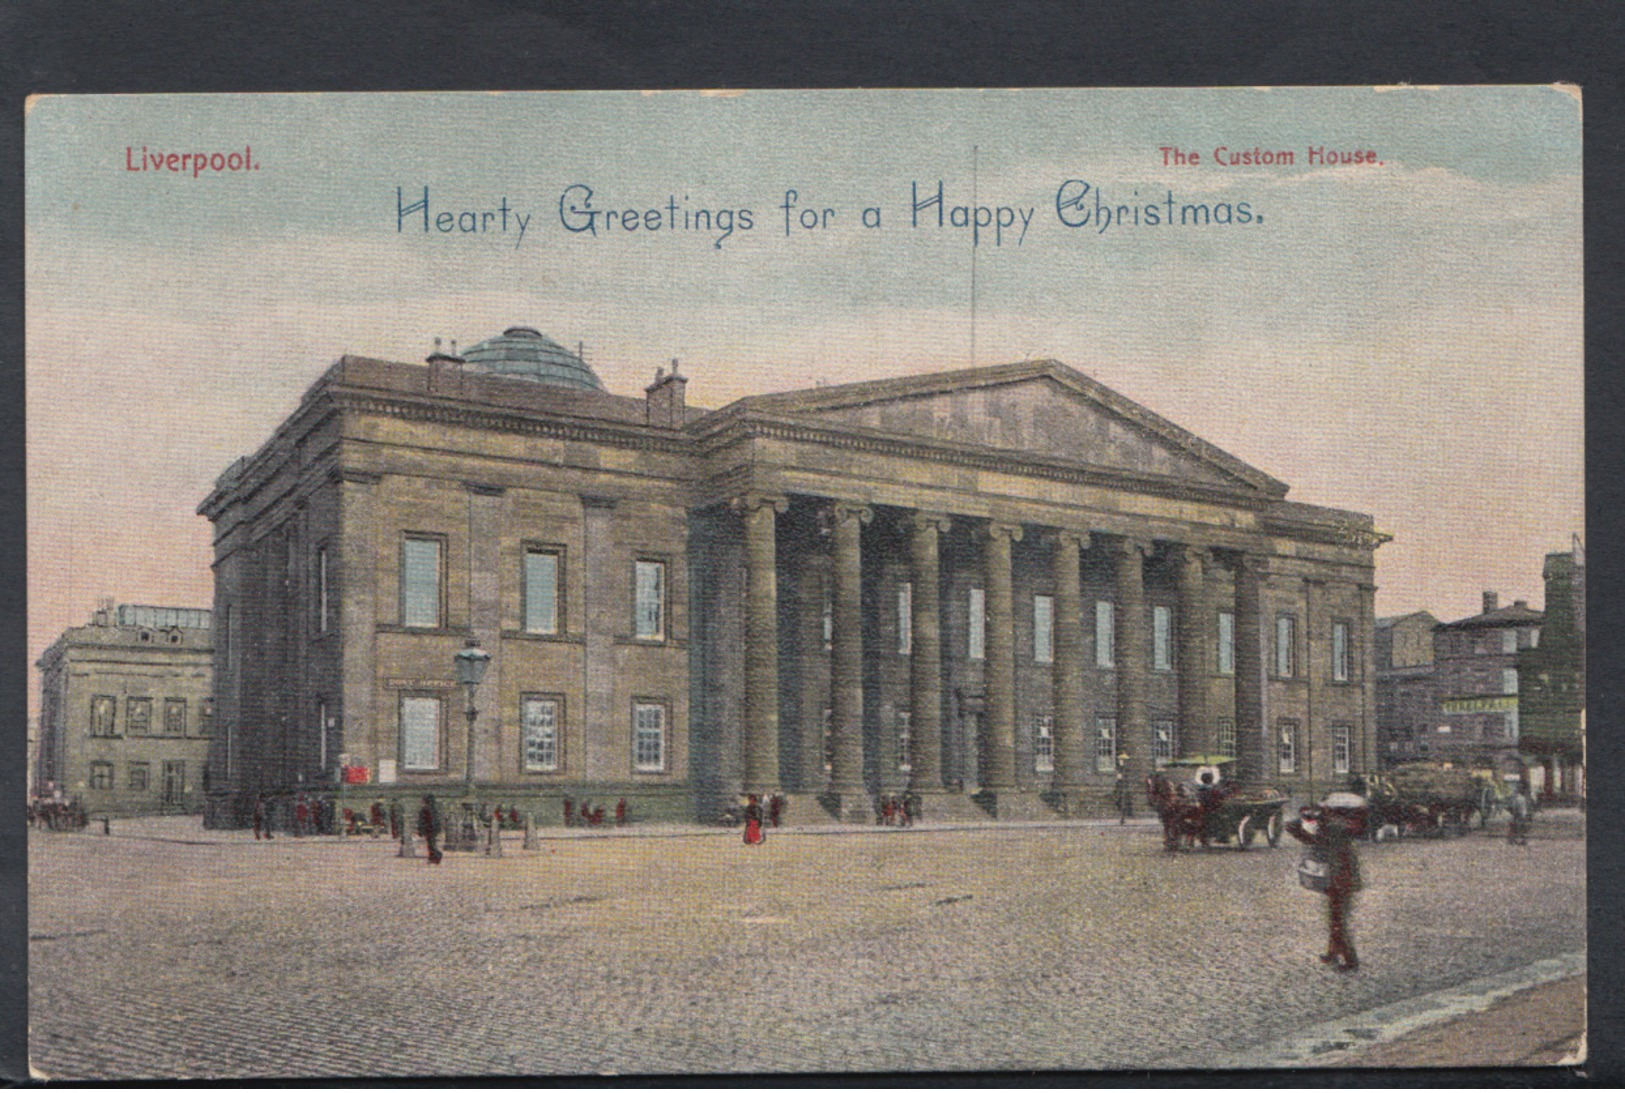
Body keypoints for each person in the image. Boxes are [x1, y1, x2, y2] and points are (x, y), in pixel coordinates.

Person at [1287, 807, 1362, 972]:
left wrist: (1298, 827)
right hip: (1338, 881)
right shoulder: (1338, 826)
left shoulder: (1334, 829)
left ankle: (1350, 960)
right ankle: (1332, 953)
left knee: (1337, 922)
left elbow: (1313, 841)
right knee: (1334, 919)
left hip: (1339, 882)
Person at [418, 794, 443, 865]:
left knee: (430, 844)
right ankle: (433, 857)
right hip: (433, 829)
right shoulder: (433, 808)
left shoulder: (424, 809)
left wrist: (420, 830)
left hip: (428, 829)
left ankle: (436, 855)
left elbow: (422, 821)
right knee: (432, 843)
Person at [1507, 781, 1532, 846]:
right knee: (1518, 827)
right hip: (1519, 814)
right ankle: (1515, 840)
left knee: (1519, 827)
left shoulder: (1521, 797)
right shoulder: (1519, 797)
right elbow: (1515, 807)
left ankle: (1515, 840)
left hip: (1521, 814)